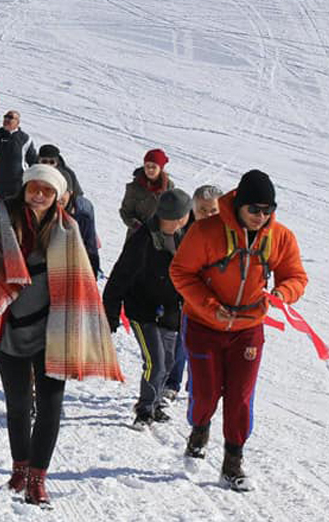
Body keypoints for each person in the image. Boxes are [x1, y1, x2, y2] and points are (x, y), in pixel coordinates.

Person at [0, 152, 122, 506]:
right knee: (17, 404)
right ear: (25, 188)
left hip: (52, 331)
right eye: (34, 188)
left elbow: (82, 280)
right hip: (8, 325)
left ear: (58, 195)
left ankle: (37, 479)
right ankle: (19, 467)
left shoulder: (68, 230)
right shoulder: (3, 216)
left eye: (47, 190)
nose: (39, 195)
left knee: (50, 405)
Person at [170, 170, 307, 492]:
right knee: (205, 393)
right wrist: (207, 303)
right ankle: (199, 428)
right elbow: (180, 272)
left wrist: (282, 294)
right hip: (204, 324)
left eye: (267, 210)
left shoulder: (280, 237)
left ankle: (232, 462)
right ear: (239, 205)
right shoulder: (206, 231)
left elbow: (296, 276)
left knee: (240, 397)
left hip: (248, 329)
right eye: (254, 210)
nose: (262, 216)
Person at [103, 189, 192, 429]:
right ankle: (144, 410)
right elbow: (118, 277)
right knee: (156, 361)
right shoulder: (142, 240)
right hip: (142, 311)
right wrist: (110, 314)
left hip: (171, 310)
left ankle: (153, 405)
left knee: (170, 359)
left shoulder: (186, 235)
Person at [162, 184, 224, 401]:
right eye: (202, 210)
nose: (207, 215)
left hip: (217, 297)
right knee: (182, 339)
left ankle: (198, 383)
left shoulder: (228, 234)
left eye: (213, 210)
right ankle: (172, 382)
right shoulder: (182, 232)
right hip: (186, 295)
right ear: (193, 210)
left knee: (208, 343)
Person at [0, 110, 38, 199]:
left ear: (18, 122)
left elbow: (33, 161)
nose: (7, 119)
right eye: (5, 117)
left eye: (10, 117)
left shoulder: (25, 139)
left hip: (16, 187)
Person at [120, 148, 174, 237]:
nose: (150, 170)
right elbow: (125, 212)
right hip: (137, 235)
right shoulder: (134, 187)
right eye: (147, 166)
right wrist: (137, 227)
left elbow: (172, 212)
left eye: (154, 167)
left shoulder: (168, 187)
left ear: (160, 168)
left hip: (159, 236)